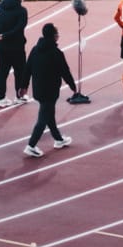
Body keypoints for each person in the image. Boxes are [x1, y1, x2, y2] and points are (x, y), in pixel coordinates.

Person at [22, 22, 77, 157]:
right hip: (50, 91)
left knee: (49, 115)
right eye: (57, 33)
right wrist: (73, 86)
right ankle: (31, 145)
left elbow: (27, 68)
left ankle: (58, 139)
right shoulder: (56, 53)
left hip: (38, 89)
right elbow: (65, 71)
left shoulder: (35, 50)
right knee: (43, 119)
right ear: (54, 36)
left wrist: (23, 86)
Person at [0, 0, 31, 106]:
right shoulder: (21, 11)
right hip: (16, 47)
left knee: (2, 71)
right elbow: (19, 28)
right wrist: (5, 36)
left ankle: (1, 98)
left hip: (1, 46)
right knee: (20, 71)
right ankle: (20, 96)